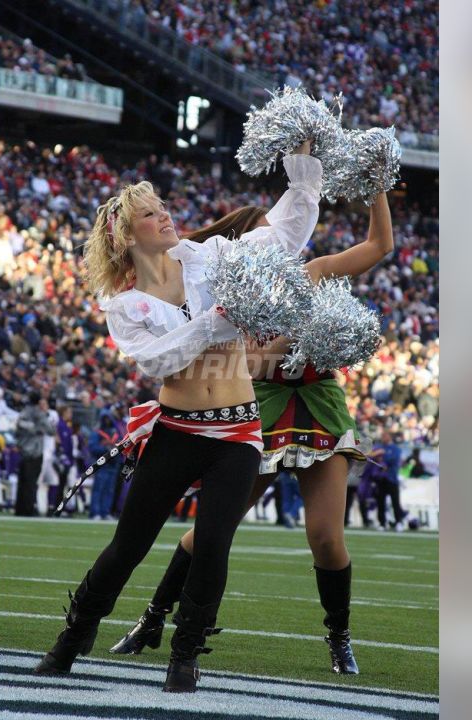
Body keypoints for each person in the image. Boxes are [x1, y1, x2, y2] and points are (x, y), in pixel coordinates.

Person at [32, 141, 321, 692]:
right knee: (129, 546)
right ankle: (72, 639)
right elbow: (157, 362)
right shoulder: (124, 304)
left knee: (213, 542)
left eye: (161, 205)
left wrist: (302, 170)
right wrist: (215, 322)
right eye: (149, 212)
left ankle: (185, 655)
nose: (164, 214)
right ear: (125, 235)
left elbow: (285, 234)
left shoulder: (210, 257)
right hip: (176, 431)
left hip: (237, 431)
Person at [109, 190, 394, 675]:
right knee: (212, 531)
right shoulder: (221, 291)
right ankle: (152, 618)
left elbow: (379, 246)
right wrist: (289, 339)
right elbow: (248, 361)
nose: (280, 242)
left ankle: (339, 637)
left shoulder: (313, 273)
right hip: (256, 408)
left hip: (317, 405)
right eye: (267, 234)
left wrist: (378, 187)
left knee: (326, 537)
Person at [13, 392, 54, 517]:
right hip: (35, 451)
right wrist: (39, 428)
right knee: (31, 482)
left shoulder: (23, 413)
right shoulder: (40, 414)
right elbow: (51, 430)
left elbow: (18, 428)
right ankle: (29, 508)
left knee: (23, 481)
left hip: (24, 450)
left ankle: (19, 509)